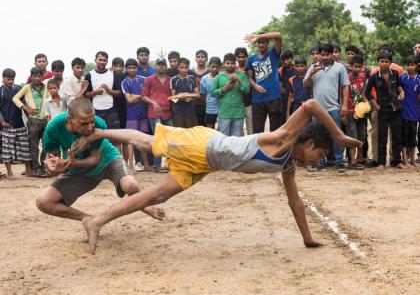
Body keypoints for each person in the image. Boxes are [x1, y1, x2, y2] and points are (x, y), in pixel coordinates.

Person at [70, 99, 361, 254]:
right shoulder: (283, 139)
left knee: (157, 195)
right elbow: (310, 105)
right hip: (202, 145)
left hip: (206, 164)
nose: (318, 161)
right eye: (320, 155)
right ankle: (100, 132)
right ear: (309, 143)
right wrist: (340, 135)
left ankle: (97, 220)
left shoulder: (287, 164)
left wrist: (308, 239)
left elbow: (295, 202)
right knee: (148, 141)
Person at [35, 98, 163, 231]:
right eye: (84, 123)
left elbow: (95, 159)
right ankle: (90, 219)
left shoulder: (100, 124)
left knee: (130, 186)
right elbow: (51, 165)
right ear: (69, 119)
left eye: (92, 122)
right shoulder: (53, 128)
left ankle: (145, 205)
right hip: (79, 169)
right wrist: (57, 169)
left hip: (108, 159)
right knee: (43, 202)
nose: (90, 127)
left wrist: (74, 162)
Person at [303, 43, 350, 172]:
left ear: (332, 55)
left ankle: (339, 161)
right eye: (322, 54)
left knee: (336, 135)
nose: (324, 57)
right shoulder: (313, 67)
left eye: (327, 54)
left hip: (333, 108)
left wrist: (344, 105)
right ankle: (320, 162)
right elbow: (305, 85)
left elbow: (345, 86)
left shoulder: (340, 68)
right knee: (319, 137)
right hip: (316, 109)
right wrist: (311, 73)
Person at [364, 51, 405, 170]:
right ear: (378, 63)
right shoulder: (374, 77)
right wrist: (375, 106)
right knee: (382, 136)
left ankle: (396, 161)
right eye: (382, 61)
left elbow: (398, 85)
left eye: (386, 61)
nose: (384, 63)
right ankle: (381, 162)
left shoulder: (395, 74)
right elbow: (367, 92)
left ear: (390, 63)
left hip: (396, 109)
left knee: (397, 135)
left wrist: (401, 91)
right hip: (382, 110)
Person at [13, 67, 49, 177]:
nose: (37, 78)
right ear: (31, 76)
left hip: (45, 119)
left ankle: (44, 167)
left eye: (39, 76)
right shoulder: (27, 87)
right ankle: (36, 168)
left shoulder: (46, 87)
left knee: (46, 145)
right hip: (33, 120)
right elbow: (15, 98)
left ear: (42, 76)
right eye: (35, 76)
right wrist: (26, 108)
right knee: (34, 146)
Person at [245, 31, 283, 133]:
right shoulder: (251, 58)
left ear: (268, 43)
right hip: (257, 100)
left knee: (275, 130)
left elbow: (278, 36)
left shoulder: (273, 54)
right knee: (257, 132)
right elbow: (249, 78)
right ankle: (259, 150)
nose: (261, 44)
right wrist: (255, 86)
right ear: (256, 44)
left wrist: (258, 36)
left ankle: (275, 149)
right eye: (259, 42)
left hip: (274, 97)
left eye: (264, 42)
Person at [121, 58, 152, 172]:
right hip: (132, 115)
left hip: (143, 114)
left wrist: (136, 96)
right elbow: (129, 100)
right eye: (129, 68)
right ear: (126, 69)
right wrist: (141, 96)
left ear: (137, 68)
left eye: (134, 67)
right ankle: (132, 167)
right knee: (131, 141)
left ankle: (147, 165)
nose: (132, 70)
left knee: (142, 139)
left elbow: (147, 95)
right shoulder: (124, 82)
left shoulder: (144, 80)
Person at [142, 57, 173, 172]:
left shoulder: (171, 80)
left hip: (168, 112)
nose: (161, 66)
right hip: (154, 113)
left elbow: (173, 94)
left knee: (171, 137)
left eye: (163, 64)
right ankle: (157, 165)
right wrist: (153, 102)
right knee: (158, 138)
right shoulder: (149, 80)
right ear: (155, 66)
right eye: (159, 64)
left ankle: (171, 164)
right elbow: (143, 96)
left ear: (166, 66)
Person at [0, 69, 32, 178]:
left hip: (20, 123)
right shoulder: (1, 91)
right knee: (7, 150)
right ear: (3, 78)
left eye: (12, 79)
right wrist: (3, 122)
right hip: (7, 125)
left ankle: (28, 170)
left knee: (25, 148)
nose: (10, 81)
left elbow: (24, 104)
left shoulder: (18, 88)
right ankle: (9, 173)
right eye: (8, 79)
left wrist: (29, 119)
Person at [211, 53, 250, 136]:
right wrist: (224, 89)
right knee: (223, 139)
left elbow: (246, 91)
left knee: (236, 140)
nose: (230, 65)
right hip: (224, 113)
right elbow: (213, 93)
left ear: (235, 64)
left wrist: (239, 80)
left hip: (238, 113)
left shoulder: (242, 75)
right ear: (223, 64)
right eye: (228, 63)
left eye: (232, 63)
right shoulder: (218, 77)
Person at [84, 51, 122, 134]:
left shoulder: (113, 74)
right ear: (95, 60)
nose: (102, 62)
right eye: (100, 59)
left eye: (104, 60)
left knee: (114, 137)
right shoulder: (89, 75)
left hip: (112, 111)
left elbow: (119, 93)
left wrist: (109, 90)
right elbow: (86, 95)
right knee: (96, 138)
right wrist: (95, 92)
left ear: (107, 61)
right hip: (95, 112)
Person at [345, 55, 368, 169]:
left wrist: (366, 104)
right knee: (351, 135)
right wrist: (343, 109)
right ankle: (352, 161)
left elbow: (363, 92)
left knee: (361, 134)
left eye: (359, 67)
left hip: (361, 109)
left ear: (362, 67)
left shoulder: (363, 77)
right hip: (350, 110)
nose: (357, 69)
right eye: (355, 66)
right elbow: (343, 95)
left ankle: (360, 157)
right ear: (350, 66)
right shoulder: (347, 78)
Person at [399, 55, 420, 166]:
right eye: (408, 65)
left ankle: (412, 159)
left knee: (413, 137)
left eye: (412, 65)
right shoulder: (402, 77)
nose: (410, 67)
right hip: (403, 112)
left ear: (416, 65)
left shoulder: (419, 79)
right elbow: (397, 87)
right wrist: (401, 90)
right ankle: (405, 160)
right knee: (404, 136)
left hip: (415, 113)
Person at [169, 58, 200, 128]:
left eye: (186, 67)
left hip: (190, 109)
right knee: (179, 132)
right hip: (178, 111)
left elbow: (198, 95)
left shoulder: (192, 78)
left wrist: (187, 95)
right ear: (178, 68)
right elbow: (173, 98)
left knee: (191, 132)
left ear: (188, 68)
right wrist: (179, 96)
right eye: (181, 67)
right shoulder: (173, 79)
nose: (184, 70)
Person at [235, 47, 253, 134]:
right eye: (239, 57)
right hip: (237, 104)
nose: (241, 59)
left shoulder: (250, 69)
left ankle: (252, 147)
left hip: (249, 103)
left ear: (247, 57)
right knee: (238, 130)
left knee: (251, 129)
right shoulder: (233, 70)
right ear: (236, 58)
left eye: (243, 57)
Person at [200, 56, 221, 129]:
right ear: (209, 66)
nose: (214, 69)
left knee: (222, 131)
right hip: (210, 109)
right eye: (213, 66)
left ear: (220, 67)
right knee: (210, 131)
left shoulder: (223, 77)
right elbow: (203, 94)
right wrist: (208, 102)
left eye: (217, 67)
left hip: (222, 108)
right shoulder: (204, 78)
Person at [193, 50, 210, 126]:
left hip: (207, 105)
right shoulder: (191, 72)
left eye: (202, 57)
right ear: (195, 59)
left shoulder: (210, 72)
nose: (200, 58)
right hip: (193, 105)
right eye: (198, 57)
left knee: (206, 130)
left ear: (206, 59)